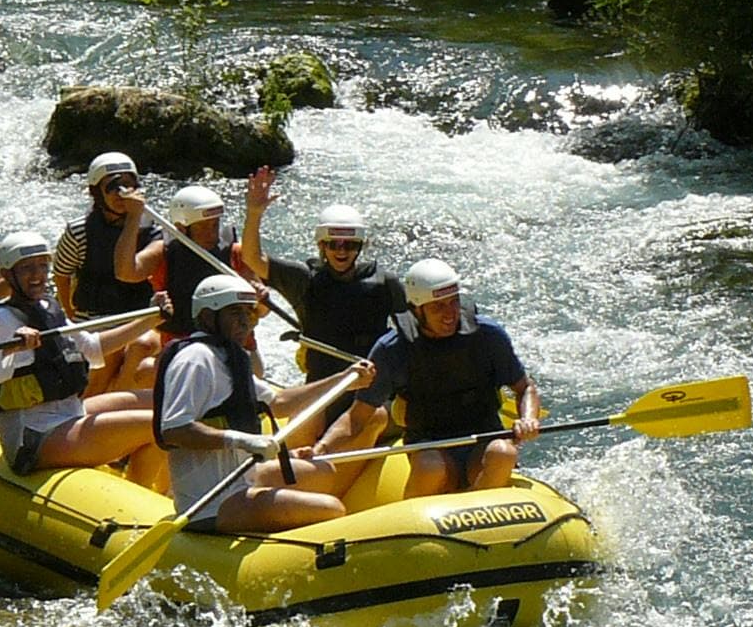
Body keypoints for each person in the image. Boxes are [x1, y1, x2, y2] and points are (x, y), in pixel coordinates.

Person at [153, 275, 367, 533]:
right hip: (210, 502)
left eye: (249, 314)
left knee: (322, 471)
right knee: (332, 508)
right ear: (209, 317)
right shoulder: (196, 360)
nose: (245, 322)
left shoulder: (231, 357)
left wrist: (344, 380)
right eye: (235, 313)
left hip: (242, 478)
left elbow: (279, 403)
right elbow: (174, 429)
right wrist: (241, 440)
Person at [0, 230, 168, 492]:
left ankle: (159, 490)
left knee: (163, 402)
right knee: (161, 426)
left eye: (41, 265)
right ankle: (141, 503)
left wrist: (150, 320)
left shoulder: (49, 309)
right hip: (33, 435)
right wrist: (9, 350)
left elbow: (92, 348)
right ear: (6, 275)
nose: (36, 275)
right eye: (26, 268)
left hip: (70, 413)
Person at [322, 258, 542, 498]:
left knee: (504, 453)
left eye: (453, 303)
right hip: (429, 444)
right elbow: (358, 417)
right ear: (417, 309)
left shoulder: (488, 336)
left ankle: (481, 512)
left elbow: (525, 387)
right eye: (438, 307)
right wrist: (320, 449)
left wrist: (528, 419)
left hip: (483, 438)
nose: (449, 314)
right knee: (430, 467)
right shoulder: (393, 349)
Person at [55, 150, 167, 390]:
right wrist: (70, 315)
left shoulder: (154, 231)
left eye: (129, 185)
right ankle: (92, 405)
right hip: (93, 316)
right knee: (106, 357)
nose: (122, 194)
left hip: (139, 316)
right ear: (96, 192)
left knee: (142, 347)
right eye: (113, 187)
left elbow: (129, 271)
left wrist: (134, 219)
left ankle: (117, 402)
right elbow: (62, 275)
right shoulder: (79, 231)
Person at [116, 169, 271, 337]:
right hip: (179, 341)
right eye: (203, 226)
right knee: (143, 352)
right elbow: (126, 273)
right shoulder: (163, 251)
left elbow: (262, 312)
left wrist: (261, 298)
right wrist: (133, 217)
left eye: (215, 224)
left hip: (232, 343)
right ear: (182, 227)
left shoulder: (235, 253)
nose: (212, 233)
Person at [265, 202, 399, 381]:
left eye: (350, 245)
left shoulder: (385, 282)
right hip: (323, 382)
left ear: (360, 246)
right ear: (322, 246)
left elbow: (411, 331)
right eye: (334, 244)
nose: (341, 251)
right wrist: (254, 212)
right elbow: (253, 259)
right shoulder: (304, 279)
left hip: (370, 379)